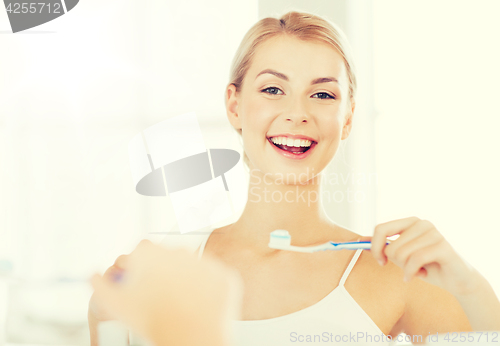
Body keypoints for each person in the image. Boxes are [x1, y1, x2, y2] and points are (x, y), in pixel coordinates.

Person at [88, 10, 500, 345]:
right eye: (272, 89)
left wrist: (470, 286)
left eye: (322, 94)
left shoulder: (398, 276)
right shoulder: (156, 272)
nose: (298, 113)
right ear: (234, 105)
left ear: (348, 118)